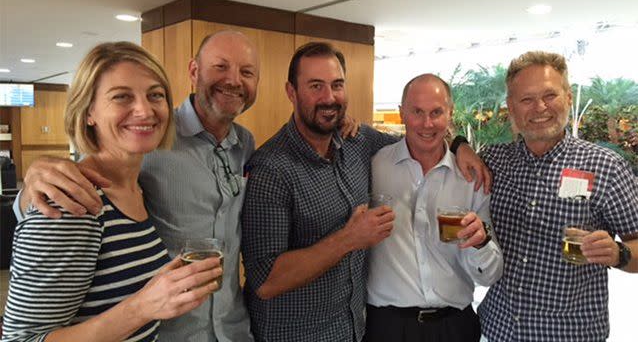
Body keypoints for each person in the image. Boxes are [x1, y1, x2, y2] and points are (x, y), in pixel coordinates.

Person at [13, 30, 259, 342]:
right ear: (89, 110)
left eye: (155, 95)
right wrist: (28, 191)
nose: (143, 111)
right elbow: (21, 336)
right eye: (122, 96)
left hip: (232, 329)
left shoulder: (243, 144)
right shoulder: (76, 197)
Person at [240, 42, 492, 342]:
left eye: (337, 85)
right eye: (315, 86)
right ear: (291, 92)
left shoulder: (358, 144)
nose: (329, 97)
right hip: (295, 334)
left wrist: (459, 145)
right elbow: (264, 281)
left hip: (355, 330)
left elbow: (420, 138)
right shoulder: (271, 168)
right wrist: (349, 239)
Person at [477, 51, 638, 341]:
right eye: (526, 99)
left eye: (550, 95)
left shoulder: (606, 167)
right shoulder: (493, 161)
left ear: (568, 98)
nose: (540, 107)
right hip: (497, 329)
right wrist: (460, 145)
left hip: (569, 334)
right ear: (511, 108)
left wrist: (619, 253)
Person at [365, 74, 503, 342]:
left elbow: (489, 276)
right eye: (417, 112)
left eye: (436, 112)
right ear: (401, 113)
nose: (427, 123)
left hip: (455, 327)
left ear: (450, 114)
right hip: (386, 328)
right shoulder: (374, 165)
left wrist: (480, 243)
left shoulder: (472, 178)